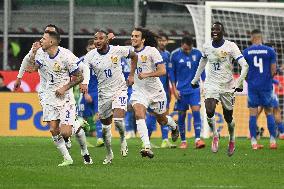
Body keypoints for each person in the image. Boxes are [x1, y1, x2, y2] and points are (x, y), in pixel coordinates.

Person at [23, 28, 92, 166]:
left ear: (51, 41)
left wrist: (64, 87)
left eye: (43, 38)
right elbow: (30, 68)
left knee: (66, 133)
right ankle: (67, 158)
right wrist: (33, 52)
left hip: (65, 98)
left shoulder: (66, 56)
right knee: (53, 129)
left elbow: (79, 76)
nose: (41, 40)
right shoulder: (41, 54)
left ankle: (84, 149)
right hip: (49, 97)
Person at [191, 22, 249, 156]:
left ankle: (232, 138)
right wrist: (195, 79)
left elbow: (245, 65)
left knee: (228, 117)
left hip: (227, 86)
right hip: (211, 84)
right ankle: (215, 135)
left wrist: (239, 83)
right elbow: (202, 62)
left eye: (217, 29)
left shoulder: (231, 46)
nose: (214, 31)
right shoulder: (206, 46)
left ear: (222, 31)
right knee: (209, 110)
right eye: (212, 29)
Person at [82, 30, 138, 164]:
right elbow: (85, 69)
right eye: (95, 39)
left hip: (119, 90)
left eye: (101, 38)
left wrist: (131, 75)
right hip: (103, 94)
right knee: (106, 128)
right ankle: (109, 154)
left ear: (107, 40)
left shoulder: (117, 50)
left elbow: (134, 55)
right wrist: (85, 82)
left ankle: (123, 139)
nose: (97, 41)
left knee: (118, 120)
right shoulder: (90, 56)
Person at [128, 27, 179, 158]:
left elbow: (162, 71)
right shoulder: (128, 51)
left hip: (156, 92)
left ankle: (174, 126)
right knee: (139, 113)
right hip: (139, 91)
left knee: (162, 120)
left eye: (136, 36)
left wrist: (147, 74)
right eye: (132, 36)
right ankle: (146, 146)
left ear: (143, 39)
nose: (133, 38)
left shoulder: (152, 51)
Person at [243, 29, 277, 150]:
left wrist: (250, 80)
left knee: (253, 114)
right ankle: (272, 141)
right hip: (266, 86)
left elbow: (243, 71)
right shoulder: (270, 51)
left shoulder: (246, 52)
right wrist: (267, 79)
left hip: (253, 87)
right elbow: (273, 70)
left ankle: (254, 142)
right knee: (269, 112)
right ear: (261, 37)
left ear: (252, 38)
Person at [169, 35, 205, 149]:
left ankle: (198, 139)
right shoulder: (174, 55)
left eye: (189, 49)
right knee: (181, 115)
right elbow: (172, 73)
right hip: (181, 90)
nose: (187, 51)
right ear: (181, 45)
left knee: (196, 111)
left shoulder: (198, 53)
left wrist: (204, 84)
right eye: (185, 49)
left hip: (194, 89)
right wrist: (174, 89)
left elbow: (202, 70)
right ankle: (183, 141)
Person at [146, 33, 176, 148]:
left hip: (165, 90)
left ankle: (165, 140)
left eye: (164, 40)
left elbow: (169, 73)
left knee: (164, 114)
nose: (162, 42)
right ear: (157, 41)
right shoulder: (152, 54)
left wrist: (172, 88)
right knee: (152, 115)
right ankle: (147, 141)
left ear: (167, 42)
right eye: (160, 40)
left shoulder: (168, 55)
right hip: (152, 90)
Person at [77, 39, 104, 147]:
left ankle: (100, 138)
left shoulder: (102, 60)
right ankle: (83, 140)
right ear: (87, 49)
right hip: (86, 92)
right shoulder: (81, 61)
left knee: (99, 115)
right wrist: (85, 93)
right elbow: (78, 78)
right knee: (82, 117)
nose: (92, 50)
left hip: (98, 92)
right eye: (90, 48)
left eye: (94, 48)